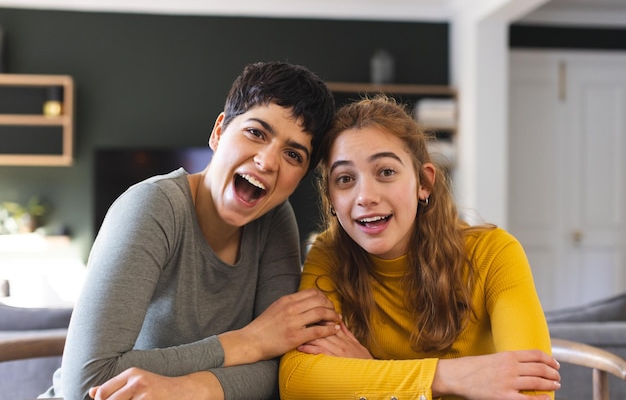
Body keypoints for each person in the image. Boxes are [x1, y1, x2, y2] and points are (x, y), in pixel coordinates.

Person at [44, 61, 343, 400]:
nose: (268, 161)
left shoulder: (274, 221)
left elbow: (280, 368)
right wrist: (251, 341)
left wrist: (186, 389)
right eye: (256, 133)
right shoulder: (152, 207)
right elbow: (84, 384)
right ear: (218, 131)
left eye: (293, 154)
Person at [279, 96, 561, 400]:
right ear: (332, 199)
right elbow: (296, 381)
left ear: (423, 183)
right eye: (345, 179)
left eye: (386, 172)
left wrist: (369, 371)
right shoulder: (329, 255)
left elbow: (533, 394)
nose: (365, 196)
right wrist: (447, 377)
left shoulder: (494, 254)